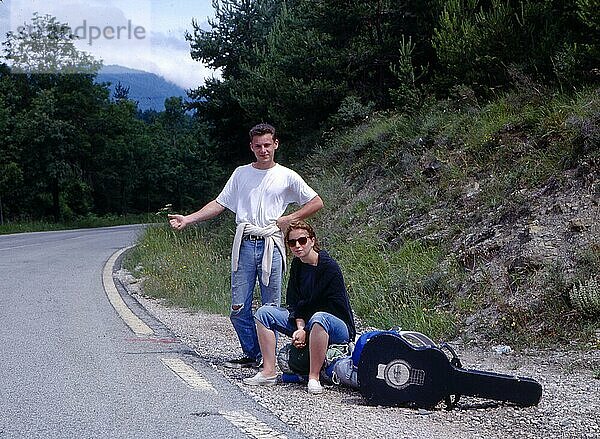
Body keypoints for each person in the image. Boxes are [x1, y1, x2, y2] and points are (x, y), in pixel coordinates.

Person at [168, 123, 323, 368]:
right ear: (251, 147)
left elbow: (315, 201)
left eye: (267, 145)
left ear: (276, 144)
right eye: (258, 146)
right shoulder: (241, 174)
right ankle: (255, 355)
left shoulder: (286, 175)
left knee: (270, 308)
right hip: (246, 244)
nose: (263, 150)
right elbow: (220, 203)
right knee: (239, 308)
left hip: (271, 244)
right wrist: (188, 218)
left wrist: (288, 219)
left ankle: (274, 362)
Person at [243, 220, 356, 394]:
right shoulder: (297, 265)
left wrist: (306, 330)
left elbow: (327, 306)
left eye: (302, 240)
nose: (297, 245)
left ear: (312, 240)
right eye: (292, 242)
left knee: (320, 317)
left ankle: (314, 377)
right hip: (307, 322)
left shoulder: (329, 267)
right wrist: (300, 328)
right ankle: (268, 371)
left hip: (335, 325)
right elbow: (295, 303)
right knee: (264, 313)